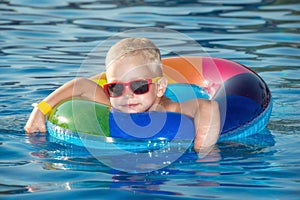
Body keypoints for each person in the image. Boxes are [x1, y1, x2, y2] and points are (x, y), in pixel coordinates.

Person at [24, 37, 220, 152]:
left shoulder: (169, 108)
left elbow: (208, 106)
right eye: (116, 88)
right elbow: (81, 84)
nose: (127, 96)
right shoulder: (113, 105)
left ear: (160, 88)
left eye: (139, 86)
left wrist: (204, 152)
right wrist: (40, 111)